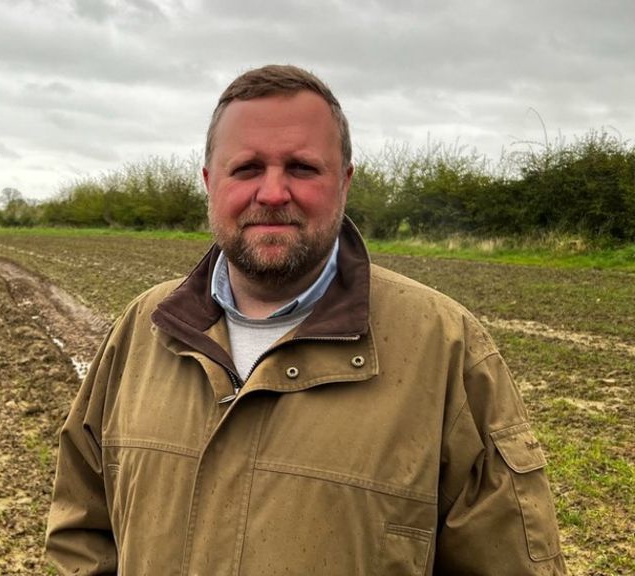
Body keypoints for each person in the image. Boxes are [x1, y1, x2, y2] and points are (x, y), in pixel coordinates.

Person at [45, 64, 567, 575]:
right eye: (247, 168)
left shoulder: (446, 347)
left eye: (302, 167)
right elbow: (82, 532)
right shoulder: (143, 329)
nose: (273, 194)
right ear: (209, 182)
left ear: (344, 181)